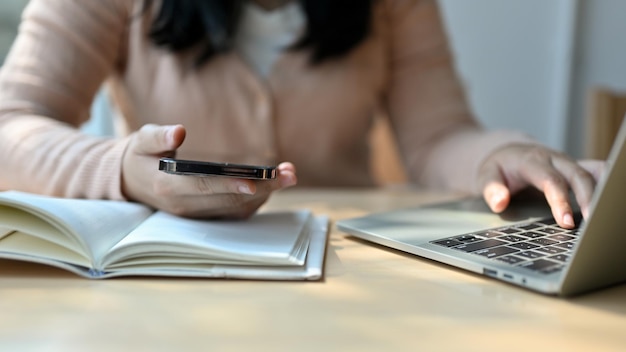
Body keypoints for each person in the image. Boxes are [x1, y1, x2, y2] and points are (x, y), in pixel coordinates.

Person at [0, 0, 603, 226]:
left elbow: (439, 136)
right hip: (167, 278)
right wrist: (122, 171)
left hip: (354, 269)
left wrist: (499, 158)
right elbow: (10, 123)